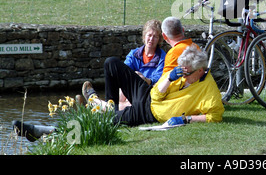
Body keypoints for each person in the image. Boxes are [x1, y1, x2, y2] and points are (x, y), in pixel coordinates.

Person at [83, 44, 224, 126]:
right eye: (182, 72)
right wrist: (169, 77)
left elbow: (215, 116)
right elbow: (156, 93)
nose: (184, 75)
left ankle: (95, 102)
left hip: (149, 114)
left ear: (200, 70)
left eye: (187, 73)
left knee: (107, 120)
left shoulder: (208, 89)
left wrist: (187, 119)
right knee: (111, 63)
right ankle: (110, 106)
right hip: (147, 94)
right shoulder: (181, 72)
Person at [119, 19, 166, 110]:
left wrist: (145, 79)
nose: (151, 39)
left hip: (149, 91)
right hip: (132, 89)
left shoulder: (162, 57)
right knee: (122, 88)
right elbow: (124, 70)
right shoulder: (134, 54)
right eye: (149, 35)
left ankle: (97, 104)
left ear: (159, 39)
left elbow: (159, 78)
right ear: (144, 36)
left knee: (127, 103)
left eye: (155, 36)